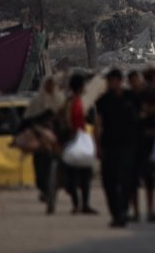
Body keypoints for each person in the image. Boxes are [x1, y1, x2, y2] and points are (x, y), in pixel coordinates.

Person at [95, 69, 139, 228]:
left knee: (125, 181)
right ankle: (116, 214)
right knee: (109, 183)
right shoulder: (103, 101)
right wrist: (97, 145)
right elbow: (98, 124)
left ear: (120, 81)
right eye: (109, 81)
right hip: (109, 147)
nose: (111, 83)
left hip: (127, 146)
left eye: (114, 80)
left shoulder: (131, 98)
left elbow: (139, 118)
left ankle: (123, 211)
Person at [24, 76, 64, 206]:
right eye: (48, 84)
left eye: (52, 85)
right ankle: (44, 190)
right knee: (40, 170)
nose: (50, 87)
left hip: (56, 140)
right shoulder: (36, 102)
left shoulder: (59, 100)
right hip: (40, 140)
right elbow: (29, 120)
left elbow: (64, 120)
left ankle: (52, 191)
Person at [61, 74, 97, 216]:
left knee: (72, 173)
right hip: (79, 138)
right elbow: (87, 119)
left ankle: (77, 204)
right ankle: (84, 205)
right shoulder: (82, 102)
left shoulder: (68, 102)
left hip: (70, 139)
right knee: (84, 174)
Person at [126, 71, 155, 223]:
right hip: (133, 141)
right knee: (132, 180)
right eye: (132, 81)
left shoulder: (149, 94)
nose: (135, 83)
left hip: (148, 140)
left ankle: (150, 211)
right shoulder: (128, 97)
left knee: (149, 178)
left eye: (136, 80)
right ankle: (136, 212)